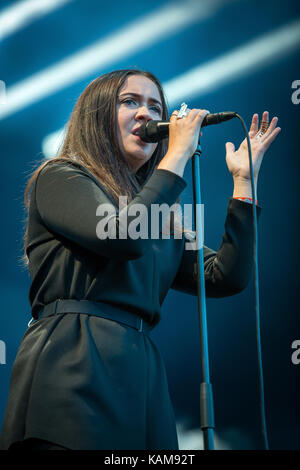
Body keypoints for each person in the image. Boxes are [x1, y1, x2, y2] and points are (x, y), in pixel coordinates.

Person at [0, 69, 280, 451]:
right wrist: (178, 154)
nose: (147, 114)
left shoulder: (160, 218)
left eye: (155, 106)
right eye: (130, 102)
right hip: (73, 365)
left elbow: (224, 277)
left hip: (140, 372)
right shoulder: (61, 176)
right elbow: (122, 235)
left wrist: (244, 184)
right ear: (97, 116)